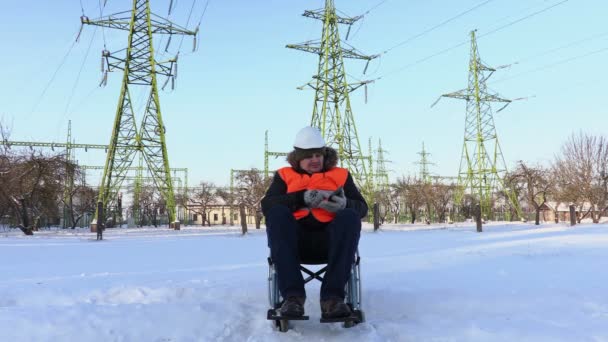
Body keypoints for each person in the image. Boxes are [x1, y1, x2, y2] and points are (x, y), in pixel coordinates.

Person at [261, 126, 368, 319]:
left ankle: (332, 300)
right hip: (293, 242)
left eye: (318, 155)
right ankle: (292, 299)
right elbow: (267, 205)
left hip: (332, 242)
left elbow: (363, 208)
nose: (315, 160)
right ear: (298, 158)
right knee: (276, 213)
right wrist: (300, 198)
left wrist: (345, 204)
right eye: (309, 156)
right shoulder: (284, 175)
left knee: (350, 215)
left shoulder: (341, 175)